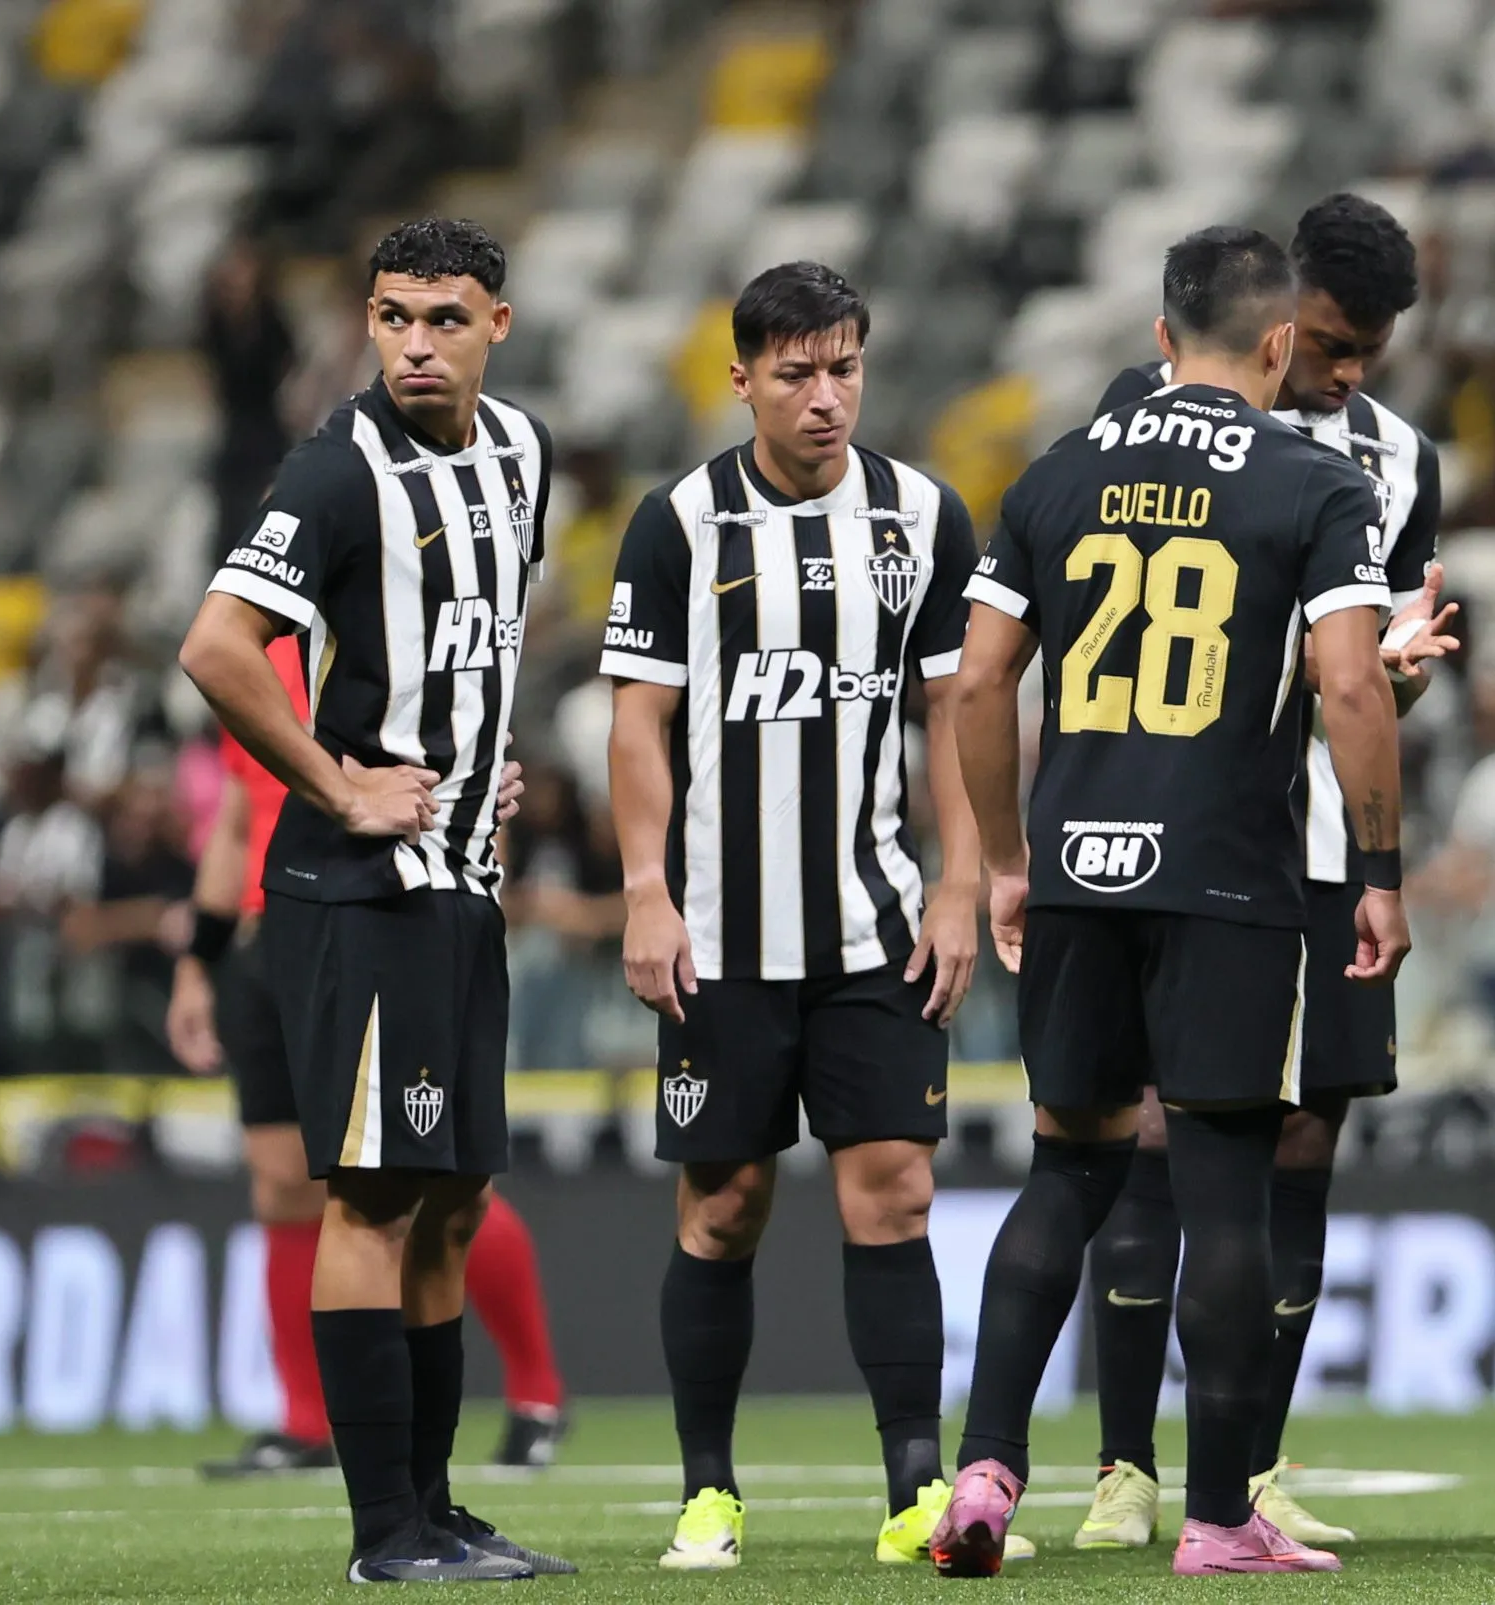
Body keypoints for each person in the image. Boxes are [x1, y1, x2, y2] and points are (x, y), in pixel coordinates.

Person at [934, 225, 1408, 1578]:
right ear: (1278, 343)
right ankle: (1216, 1518)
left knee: (1067, 1171)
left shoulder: (1055, 472)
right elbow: (1352, 683)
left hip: (1079, 871)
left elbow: (979, 682)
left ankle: (985, 1472)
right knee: (1225, 1192)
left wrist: (1009, 858)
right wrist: (1377, 870)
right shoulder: (1314, 483)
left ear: (1159, 338)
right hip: (1228, 878)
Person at [176, 217, 569, 1582]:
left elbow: (472, 648)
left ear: (497, 324)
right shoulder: (336, 468)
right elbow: (217, 647)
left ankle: (438, 1508)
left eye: (444, 318)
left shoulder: (523, 455)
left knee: (451, 1199)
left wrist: (484, 763)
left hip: (464, 878)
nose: (414, 344)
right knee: (373, 1198)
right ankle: (384, 1533)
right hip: (357, 890)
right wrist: (339, 788)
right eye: (393, 317)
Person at [1076, 193, 1456, 1554]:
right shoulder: (1143, 415)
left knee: (1303, 1141)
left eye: (1372, 351)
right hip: (1182, 838)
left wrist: (1395, 678)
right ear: (1282, 317)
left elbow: (1383, 675)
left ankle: (1250, 1466)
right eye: (1333, 341)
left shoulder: (1401, 461)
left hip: (1317, 851)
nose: (1347, 371)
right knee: (1155, 1133)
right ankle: (1124, 1467)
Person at [600, 262, 992, 1573]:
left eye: (844, 370)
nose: (825, 398)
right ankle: (707, 1491)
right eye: (796, 374)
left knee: (897, 1194)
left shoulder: (922, 515)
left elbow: (955, 711)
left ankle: (915, 1488)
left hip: (876, 929)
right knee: (723, 1206)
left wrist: (960, 879)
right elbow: (638, 725)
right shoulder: (678, 523)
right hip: (721, 935)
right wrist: (646, 893)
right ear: (742, 380)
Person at [171, 643, 569, 1480]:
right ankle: (305, 1420)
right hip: (263, 937)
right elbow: (237, 820)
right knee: (281, 1180)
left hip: (366, 915)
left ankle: (536, 1390)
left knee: (428, 1179)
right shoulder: (250, 658)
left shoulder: (379, 642)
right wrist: (197, 963)